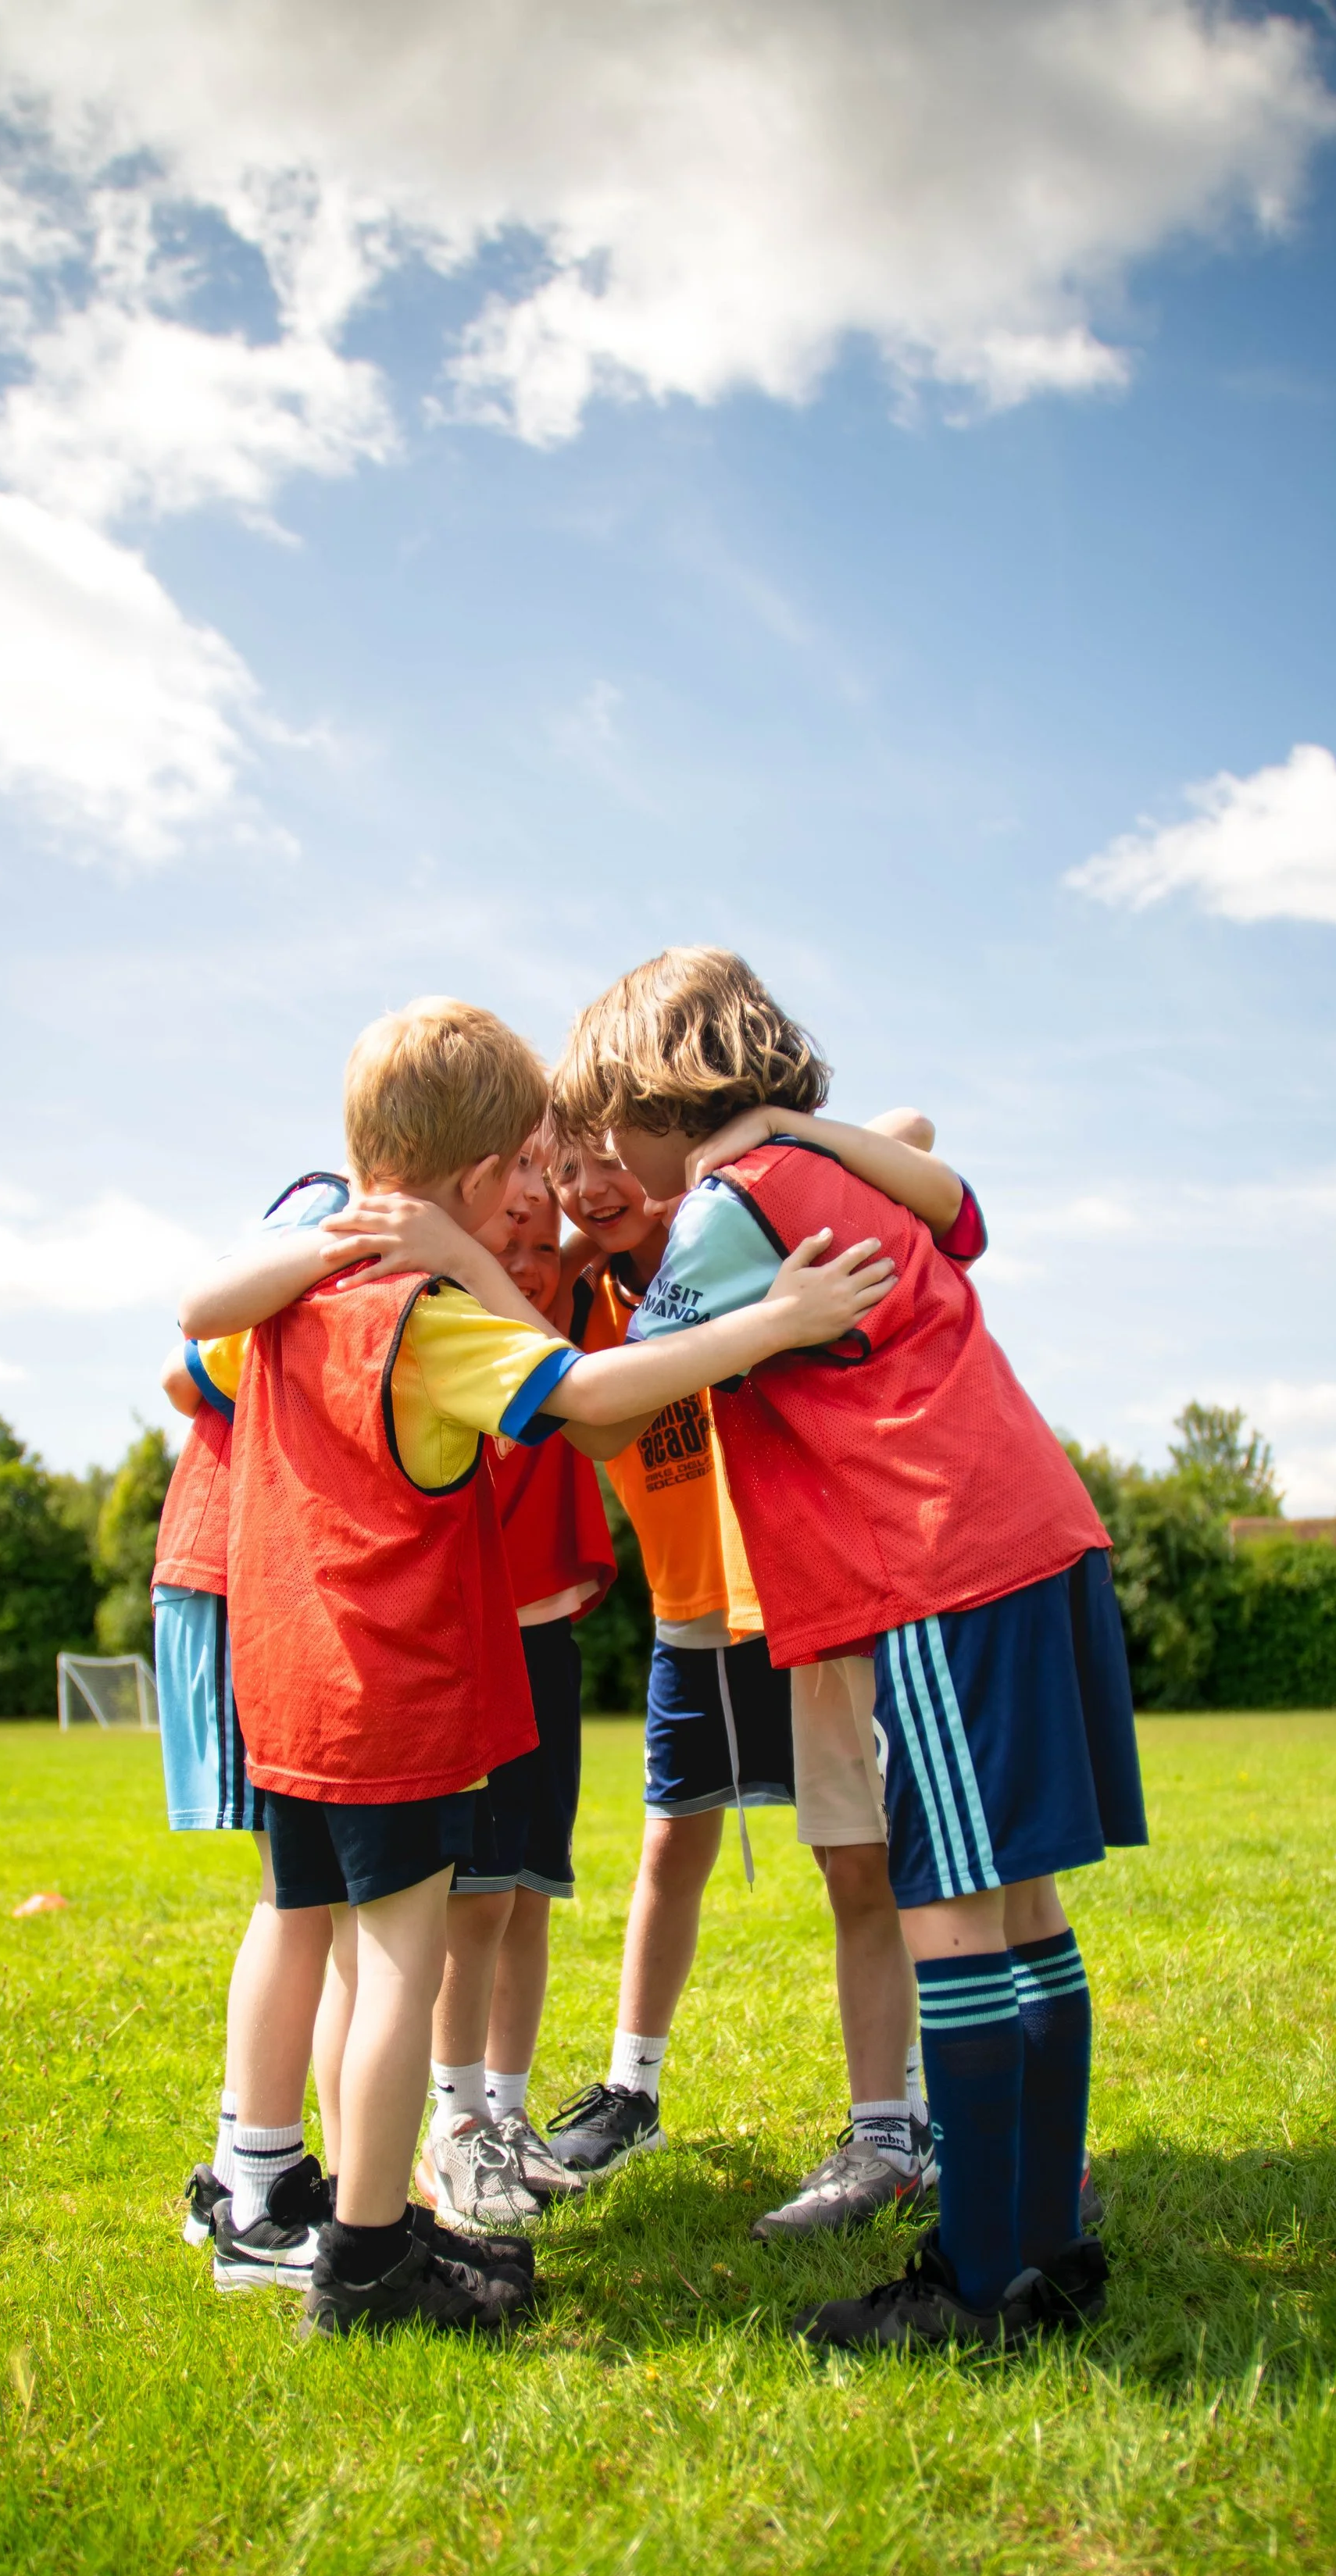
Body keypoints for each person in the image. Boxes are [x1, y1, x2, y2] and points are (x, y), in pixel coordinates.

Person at [183, 996, 895, 2341]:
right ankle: (374, 2259)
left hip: (281, 1691)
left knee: (312, 1940)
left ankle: (301, 2194)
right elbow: (586, 1391)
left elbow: (197, 1346)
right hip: (389, 1696)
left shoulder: (287, 1296)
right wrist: (771, 1319)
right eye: (523, 1163)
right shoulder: (423, 1315)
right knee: (399, 1963)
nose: (541, 1188)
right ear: (469, 1179)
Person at [552, 949, 1147, 2352]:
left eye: (612, 1127)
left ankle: (980, 2274)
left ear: (655, 1095)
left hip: (930, 1563)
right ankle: (1046, 2244)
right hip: (1033, 1534)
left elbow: (596, 1417)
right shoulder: (839, 1170)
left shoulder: (721, 1209)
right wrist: (810, 1132)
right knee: (1023, 1902)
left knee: (946, 1901)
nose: (614, 1163)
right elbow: (967, 1201)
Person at [539, 1124, 944, 2237]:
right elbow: (574, 1405)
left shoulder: (735, 1228)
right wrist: (583, 1238)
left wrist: (725, 1158)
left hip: (803, 1599)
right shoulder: (585, 1295)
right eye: (562, 1169)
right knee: (673, 1844)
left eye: (607, 1156)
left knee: (859, 1858)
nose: (585, 1188)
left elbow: (909, 1129)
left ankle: (899, 2110)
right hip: (690, 1617)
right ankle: (633, 2086)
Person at [415, 1158, 619, 2231]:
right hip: (475, 1644)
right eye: (512, 1244)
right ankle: (452, 2125)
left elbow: (578, 1236)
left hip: (551, 1646)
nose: (537, 1266)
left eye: (551, 1247)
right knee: (478, 1898)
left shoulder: (557, 1312)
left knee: (531, 1889)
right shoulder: (458, 1337)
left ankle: (505, 2112)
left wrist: (547, 1228)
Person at [152, 1173, 348, 2282]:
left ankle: (248, 2169)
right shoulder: (334, 1216)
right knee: (299, 1889)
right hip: (233, 1573)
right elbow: (187, 1362)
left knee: (303, 1889)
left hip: (249, 1575)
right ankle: (255, 2196)